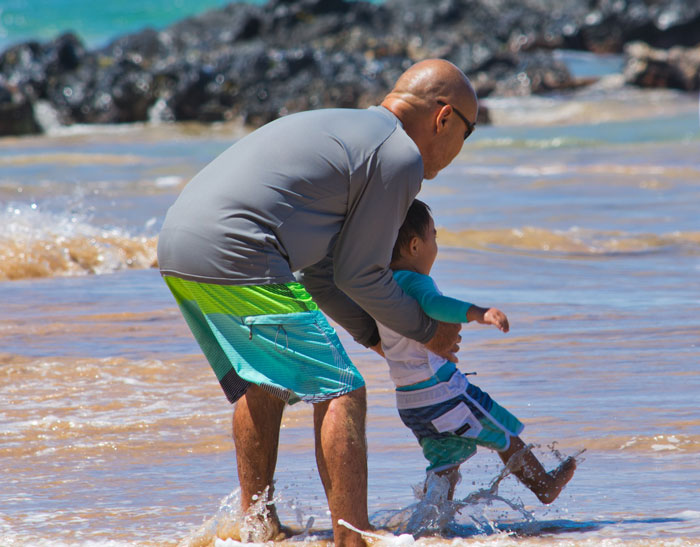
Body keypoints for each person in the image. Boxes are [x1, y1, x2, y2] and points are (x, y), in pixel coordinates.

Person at [157, 59, 477, 545]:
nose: (459, 150)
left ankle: (257, 528)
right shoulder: (399, 155)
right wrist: (426, 330)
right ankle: (354, 536)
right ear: (445, 117)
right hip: (240, 245)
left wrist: (375, 336)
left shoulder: (354, 131)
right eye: (467, 134)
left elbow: (323, 275)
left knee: (262, 384)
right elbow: (361, 273)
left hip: (181, 243)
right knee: (342, 390)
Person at [378, 199, 577, 503]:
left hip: (409, 401)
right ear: (415, 246)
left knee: (445, 460)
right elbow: (435, 304)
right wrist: (477, 312)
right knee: (504, 433)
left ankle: (433, 521)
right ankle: (544, 486)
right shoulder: (416, 282)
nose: (436, 244)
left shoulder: (382, 288)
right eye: (434, 236)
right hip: (443, 391)